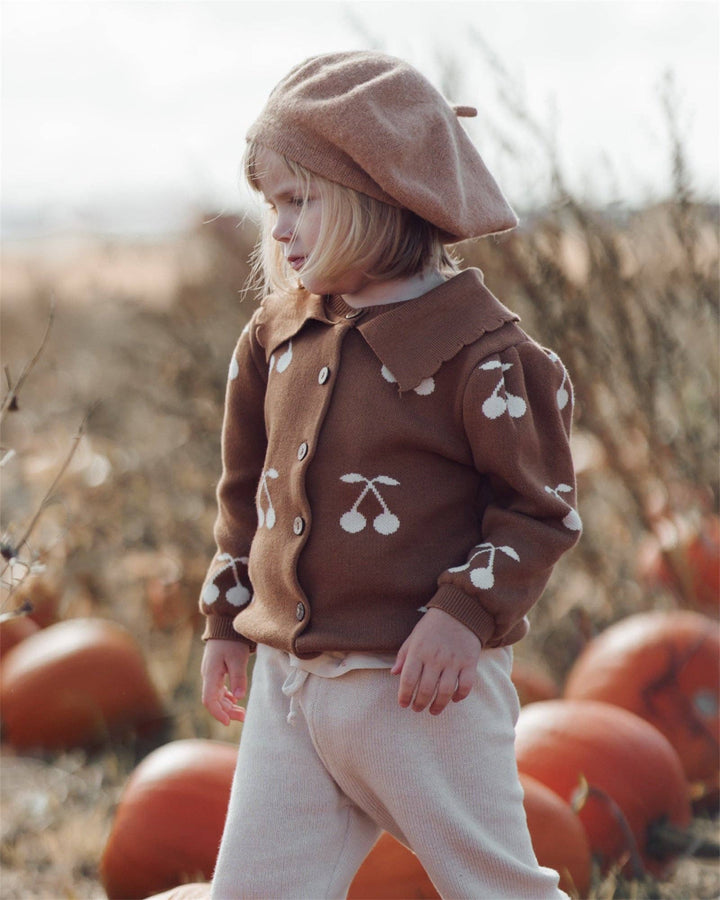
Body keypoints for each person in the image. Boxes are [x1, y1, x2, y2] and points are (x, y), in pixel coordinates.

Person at [199, 50, 581, 900]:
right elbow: (245, 494)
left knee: (496, 888)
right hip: (289, 686)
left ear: (382, 197)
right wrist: (226, 615)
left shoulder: (483, 359)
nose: (280, 228)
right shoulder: (275, 336)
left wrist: (464, 615)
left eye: (301, 200)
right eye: (272, 205)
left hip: (418, 692)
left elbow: (538, 512)